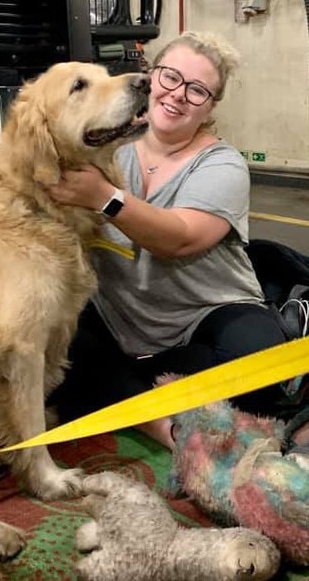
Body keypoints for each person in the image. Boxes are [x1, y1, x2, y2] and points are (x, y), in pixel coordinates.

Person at [46, 30, 308, 450]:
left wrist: (104, 197)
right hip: (121, 325)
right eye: (170, 77)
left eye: (198, 90)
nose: (178, 95)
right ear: (150, 76)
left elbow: (180, 239)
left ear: (209, 107)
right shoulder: (106, 146)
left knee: (257, 360)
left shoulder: (223, 165)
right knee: (53, 343)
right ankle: (165, 419)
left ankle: (138, 402)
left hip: (202, 318)